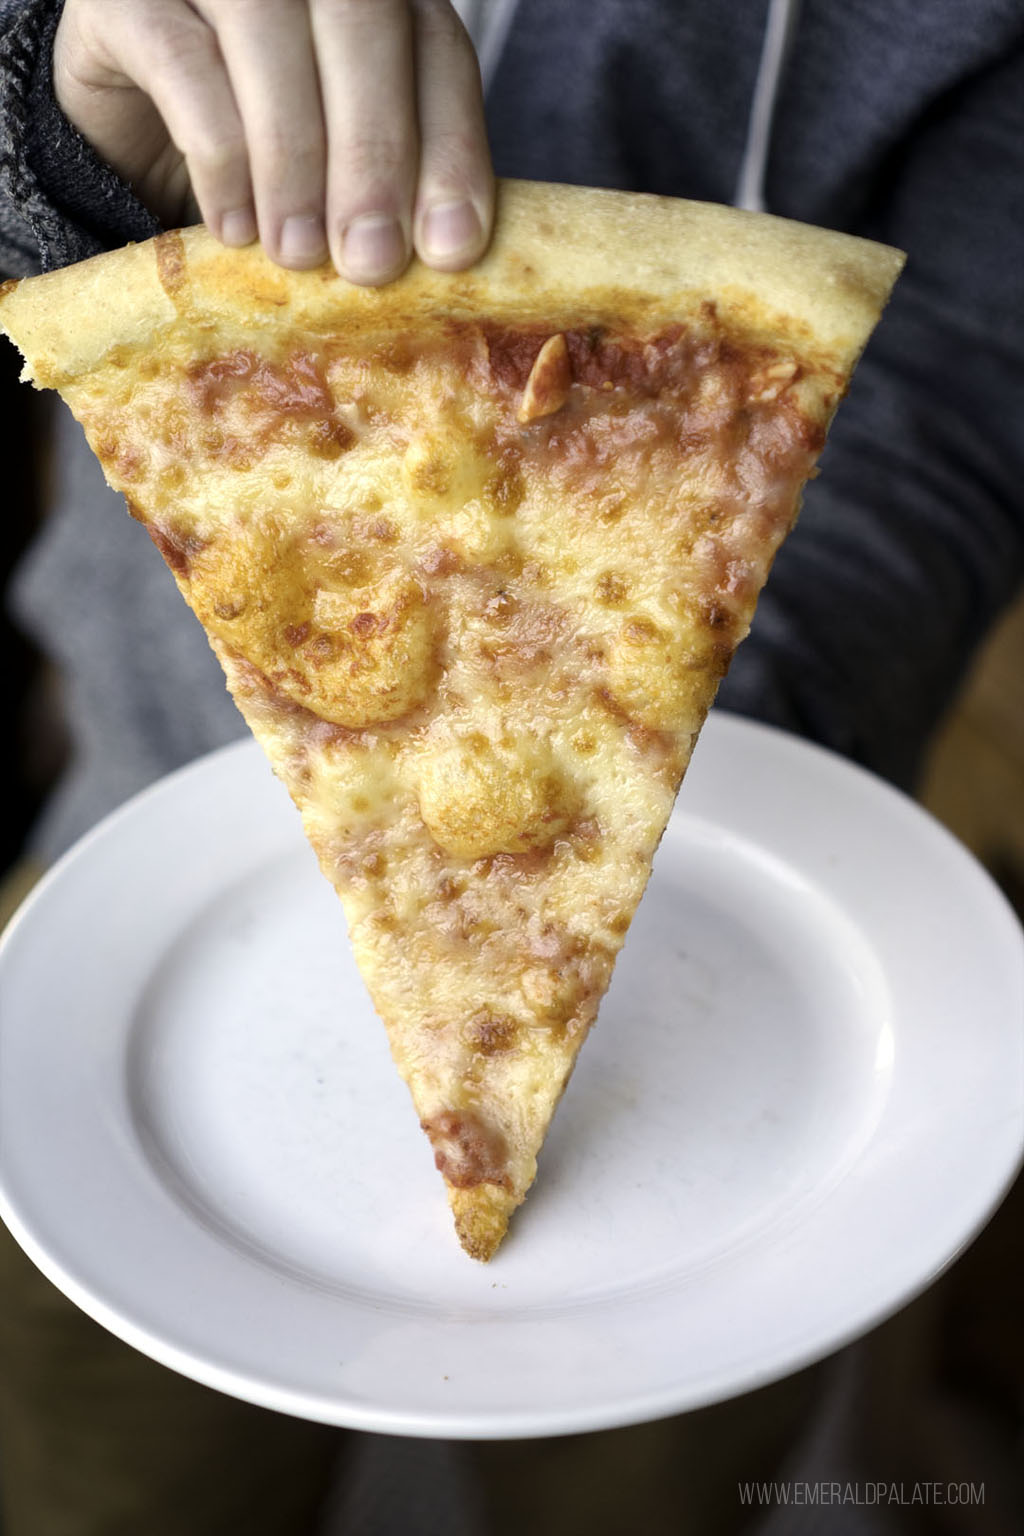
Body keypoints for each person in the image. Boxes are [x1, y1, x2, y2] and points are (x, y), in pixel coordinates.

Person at [0, 2, 1021, 1533]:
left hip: (785, 921)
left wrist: (648, 702)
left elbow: (963, 385)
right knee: (101, 1482)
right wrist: (50, 123)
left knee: (654, 1498)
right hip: (105, 870)